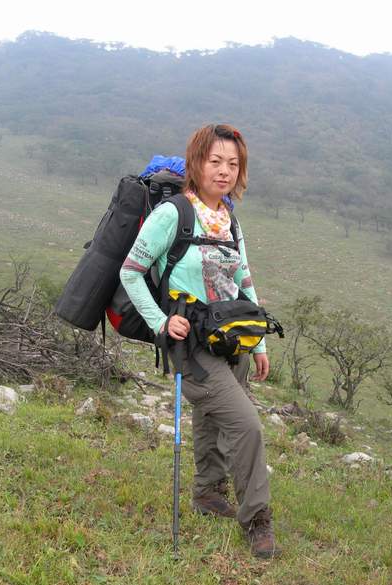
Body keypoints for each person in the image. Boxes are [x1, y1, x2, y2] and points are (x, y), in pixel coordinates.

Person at [120, 124, 280, 559]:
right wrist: (160, 321)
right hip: (189, 342)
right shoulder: (172, 214)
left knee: (212, 419)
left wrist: (260, 343)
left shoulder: (229, 218)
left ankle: (208, 493)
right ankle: (257, 519)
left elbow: (244, 278)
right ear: (196, 163)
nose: (225, 171)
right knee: (246, 425)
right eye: (215, 161)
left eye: (233, 163)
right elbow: (131, 272)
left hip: (231, 337)